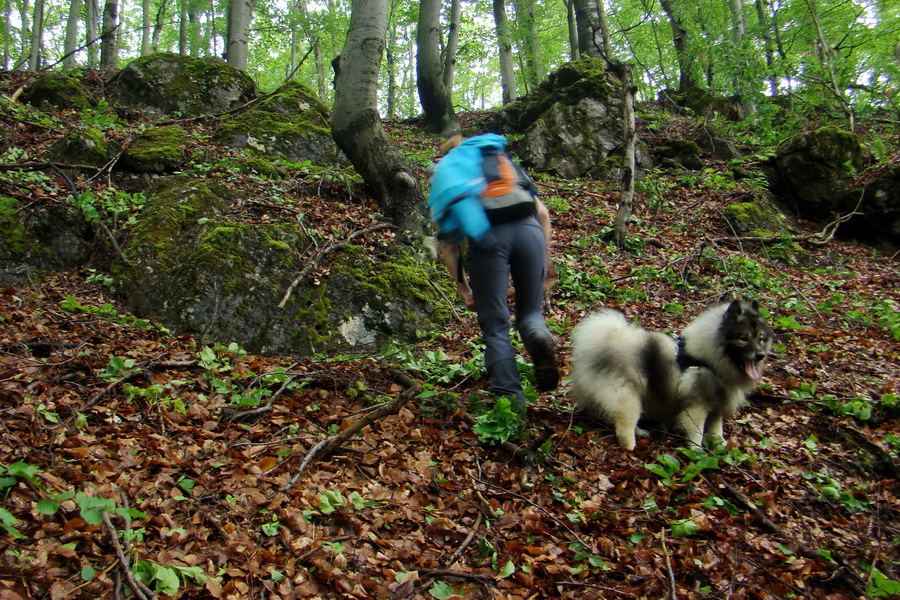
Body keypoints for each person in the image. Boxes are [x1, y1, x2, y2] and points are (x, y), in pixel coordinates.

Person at [427, 133, 559, 419]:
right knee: (531, 313)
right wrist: (543, 259)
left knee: (496, 324)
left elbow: (448, 243)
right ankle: (537, 332)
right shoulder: (497, 157)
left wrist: (464, 288)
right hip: (529, 230)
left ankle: (510, 404)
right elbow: (543, 213)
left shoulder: (446, 173)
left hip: (488, 240)